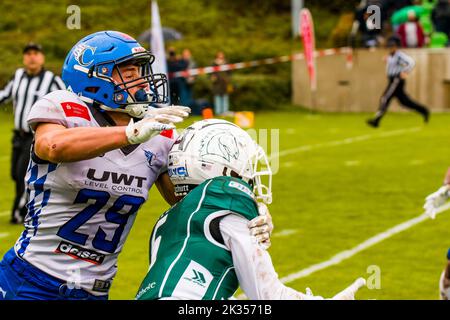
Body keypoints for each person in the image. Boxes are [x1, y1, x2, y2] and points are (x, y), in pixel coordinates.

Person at [0, 30, 193, 300]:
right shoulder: (65, 108)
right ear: (93, 77)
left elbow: (185, 205)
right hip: (31, 281)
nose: (143, 80)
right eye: (129, 73)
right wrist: (130, 134)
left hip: (94, 291)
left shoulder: (159, 135)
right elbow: (53, 146)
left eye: (142, 70)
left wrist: (238, 209)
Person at [135, 119, 365, 300]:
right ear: (216, 162)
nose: (248, 172)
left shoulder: (167, 220)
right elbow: (268, 296)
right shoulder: (224, 192)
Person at [0, 42, 66, 224]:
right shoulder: (18, 76)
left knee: (23, 174)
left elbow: (66, 98)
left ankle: (19, 213)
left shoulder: (52, 80)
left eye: (35, 53)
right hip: (17, 136)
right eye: (28, 53)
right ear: (24, 58)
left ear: (42, 57)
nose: (31, 57)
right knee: (15, 174)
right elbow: (4, 95)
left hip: (36, 137)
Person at [367, 36, 429, 128]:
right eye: (390, 46)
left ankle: (376, 120)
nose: (391, 48)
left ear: (396, 46)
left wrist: (405, 71)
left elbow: (411, 62)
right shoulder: (391, 56)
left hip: (396, 80)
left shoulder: (399, 56)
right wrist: (387, 60)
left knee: (385, 98)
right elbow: (394, 64)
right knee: (405, 102)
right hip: (392, 80)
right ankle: (424, 110)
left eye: (393, 46)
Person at [211, 51, 232, 116]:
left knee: (225, 97)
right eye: (219, 55)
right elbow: (211, 73)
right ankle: (218, 112)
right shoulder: (214, 63)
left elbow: (229, 72)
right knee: (217, 97)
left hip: (225, 83)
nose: (221, 56)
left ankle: (225, 111)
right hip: (217, 83)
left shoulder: (226, 63)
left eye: (222, 55)